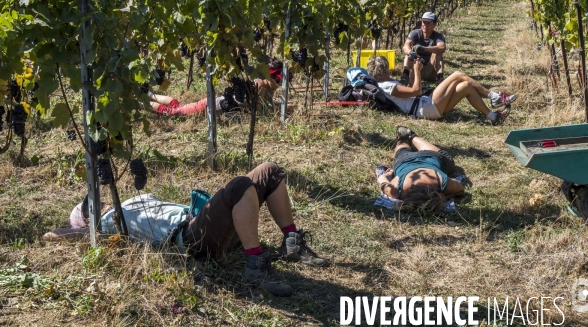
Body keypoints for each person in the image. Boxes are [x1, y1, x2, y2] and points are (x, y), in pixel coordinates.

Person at [44, 162, 329, 296]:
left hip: (199, 223)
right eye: (91, 207)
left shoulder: (125, 204)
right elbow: (52, 236)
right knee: (240, 186)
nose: (101, 201)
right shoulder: (106, 227)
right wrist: (81, 230)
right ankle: (255, 264)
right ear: (88, 220)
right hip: (192, 239)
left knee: (270, 171)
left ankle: (291, 242)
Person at [367, 56, 516, 125]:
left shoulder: (386, 83)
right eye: (388, 70)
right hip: (426, 108)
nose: (390, 71)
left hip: (427, 105)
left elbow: (409, 91)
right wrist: (417, 71)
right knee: (458, 75)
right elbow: (416, 92)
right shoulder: (386, 86)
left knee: (466, 87)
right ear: (384, 71)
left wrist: (413, 78)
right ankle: (494, 97)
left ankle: (493, 117)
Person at [376, 126, 465, 212]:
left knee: (445, 157)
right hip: (404, 160)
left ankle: (411, 136)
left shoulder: (441, 183)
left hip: (432, 157)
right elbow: (381, 179)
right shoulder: (396, 190)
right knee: (401, 152)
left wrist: (444, 194)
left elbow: (460, 190)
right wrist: (390, 173)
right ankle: (404, 139)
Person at [401, 12, 446, 86]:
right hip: (416, 67)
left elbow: (442, 48)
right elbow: (406, 46)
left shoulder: (438, 36)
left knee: (438, 54)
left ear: (434, 25)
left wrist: (424, 48)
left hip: (430, 70)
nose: (425, 25)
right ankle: (405, 76)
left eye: (428, 23)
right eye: (424, 22)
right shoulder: (415, 33)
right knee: (408, 54)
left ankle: (440, 78)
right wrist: (410, 52)